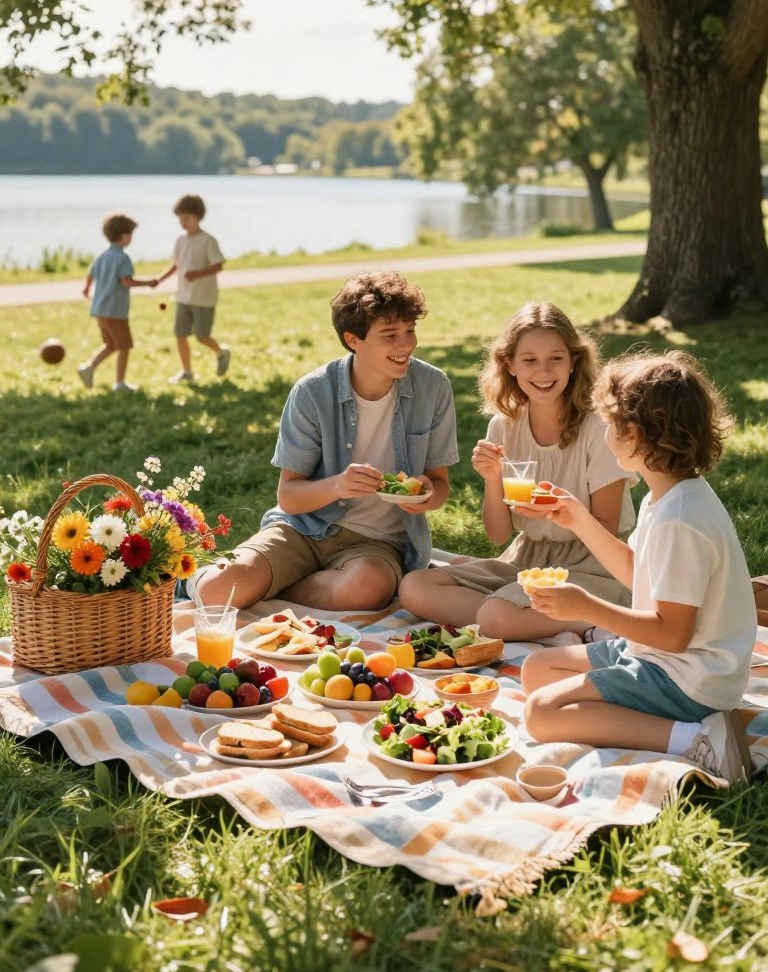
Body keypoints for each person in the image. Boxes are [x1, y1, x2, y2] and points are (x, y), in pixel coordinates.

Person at [521, 351, 756, 785]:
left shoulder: (680, 521)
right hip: (658, 659)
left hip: (688, 679)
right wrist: (580, 520)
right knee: (537, 670)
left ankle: (698, 739)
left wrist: (586, 607)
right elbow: (638, 574)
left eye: (611, 425)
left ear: (636, 435)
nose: (606, 434)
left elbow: (672, 633)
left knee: (541, 712)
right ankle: (639, 717)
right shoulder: (666, 495)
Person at [194, 270, 458, 611]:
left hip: (378, 543)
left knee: (365, 590)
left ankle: (270, 590)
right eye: (389, 335)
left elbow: (440, 486)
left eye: (410, 331)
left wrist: (425, 498)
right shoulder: (312, 392)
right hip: (302, 528)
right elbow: (289, 497)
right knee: (217, 589)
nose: (405, 344)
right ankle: (234, 583)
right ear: (353, 340)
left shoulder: (432, 387)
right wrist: (338, 486)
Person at [398, 302, 636, 641]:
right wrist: (493, 479)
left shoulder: (597, 428)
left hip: (594, 564)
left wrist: (557, 512)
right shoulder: (504, 426)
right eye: (529, 360)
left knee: (496, 616)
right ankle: (522, 615)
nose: (543, 371)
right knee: (415, 587)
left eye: (556, 358)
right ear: (509, 364)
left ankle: (593, 617)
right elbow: (498, 535)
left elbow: (607, 527)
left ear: (573, 362)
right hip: (527, 560)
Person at [77, 214, 157, 391]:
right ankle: (120, 383)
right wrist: (148, 283)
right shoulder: (123, 258)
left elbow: (91, 274)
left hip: (99, 309)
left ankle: (88, 368)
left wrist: (86, 288)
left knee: (111, 344)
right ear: (124, 235)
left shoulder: (103, 256)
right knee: (124, 346)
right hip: (115, 311)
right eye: (131, 234)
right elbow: (125, 281)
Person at [157, 194, 230, 383]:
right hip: (183, 297)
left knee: (202, 335)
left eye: (187, 218)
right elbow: (176, 265)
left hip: (204, 298)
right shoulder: (180, 240)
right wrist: (159, 279)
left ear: (199, 217)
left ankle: (221, 352)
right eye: (180, 219)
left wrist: (197, 274)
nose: (183, 222)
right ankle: (186, 372)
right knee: (180, 334)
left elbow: (218, 265)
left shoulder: (208, 240)